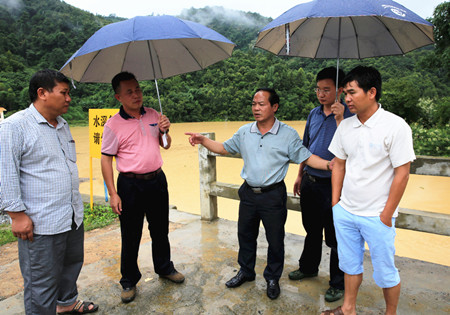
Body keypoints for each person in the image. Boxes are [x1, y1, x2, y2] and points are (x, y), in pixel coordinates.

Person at [186, 88, 333, 300]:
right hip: (248, 193)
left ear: (274, 107)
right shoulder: (245, 131)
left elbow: (307, 157)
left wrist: (329, 165)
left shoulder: (288, 134)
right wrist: (203, 140)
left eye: (261, 104)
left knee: (275, 240)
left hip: (273, 195)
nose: (256, 108)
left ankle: (272, 278)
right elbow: (224, 148)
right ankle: (246, 271)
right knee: (245, 235)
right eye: (254, 104)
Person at [0, 69, 98, 314]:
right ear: (42, 93)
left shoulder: (62, 124)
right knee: (41, 282)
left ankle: (66, 304)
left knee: (71, 265)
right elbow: (5, 171)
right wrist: (16, 215)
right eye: (63, 93)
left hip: (71, 215)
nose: (69, 99)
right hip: (41, 222)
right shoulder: (15, 126)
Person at [321, 66, 415, 315]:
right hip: (346, 211)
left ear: (372, 92)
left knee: (385, 271)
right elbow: (338, 164)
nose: (346, 99)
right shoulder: (345, 127)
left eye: (352, 93)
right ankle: (348, 308)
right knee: (350, 265)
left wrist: (386, 215)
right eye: (345, 93)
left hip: (377, 216)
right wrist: (335, 203)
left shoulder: (396, 126)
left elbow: (402, 173)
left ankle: (390, 313)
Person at [101, 72, 184, 304]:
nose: (136, 95)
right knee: (131, 234)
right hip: (129, 185)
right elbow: (106, 159)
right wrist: (113, 193)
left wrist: (165, 131)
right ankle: (128, 280)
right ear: (119, 97)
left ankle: (164, 268)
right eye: (129, 92)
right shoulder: (113, 125)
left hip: (157, 180)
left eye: (138, 89)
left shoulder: (154, 114)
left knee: (160, 229)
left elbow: (165, 146)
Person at [288, 67, 352, 302]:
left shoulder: (350, 117)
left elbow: (352, 147)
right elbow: (305, 147)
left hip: (336, 187)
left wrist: (340, 119)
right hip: (310, 182)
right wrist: (299, 175)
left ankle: (338, 282)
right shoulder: (313, 114)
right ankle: (308, 267)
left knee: (336, 236)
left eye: (327, 89)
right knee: (311, 229)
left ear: (340, 91)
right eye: (318, 89)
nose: (321, 94)